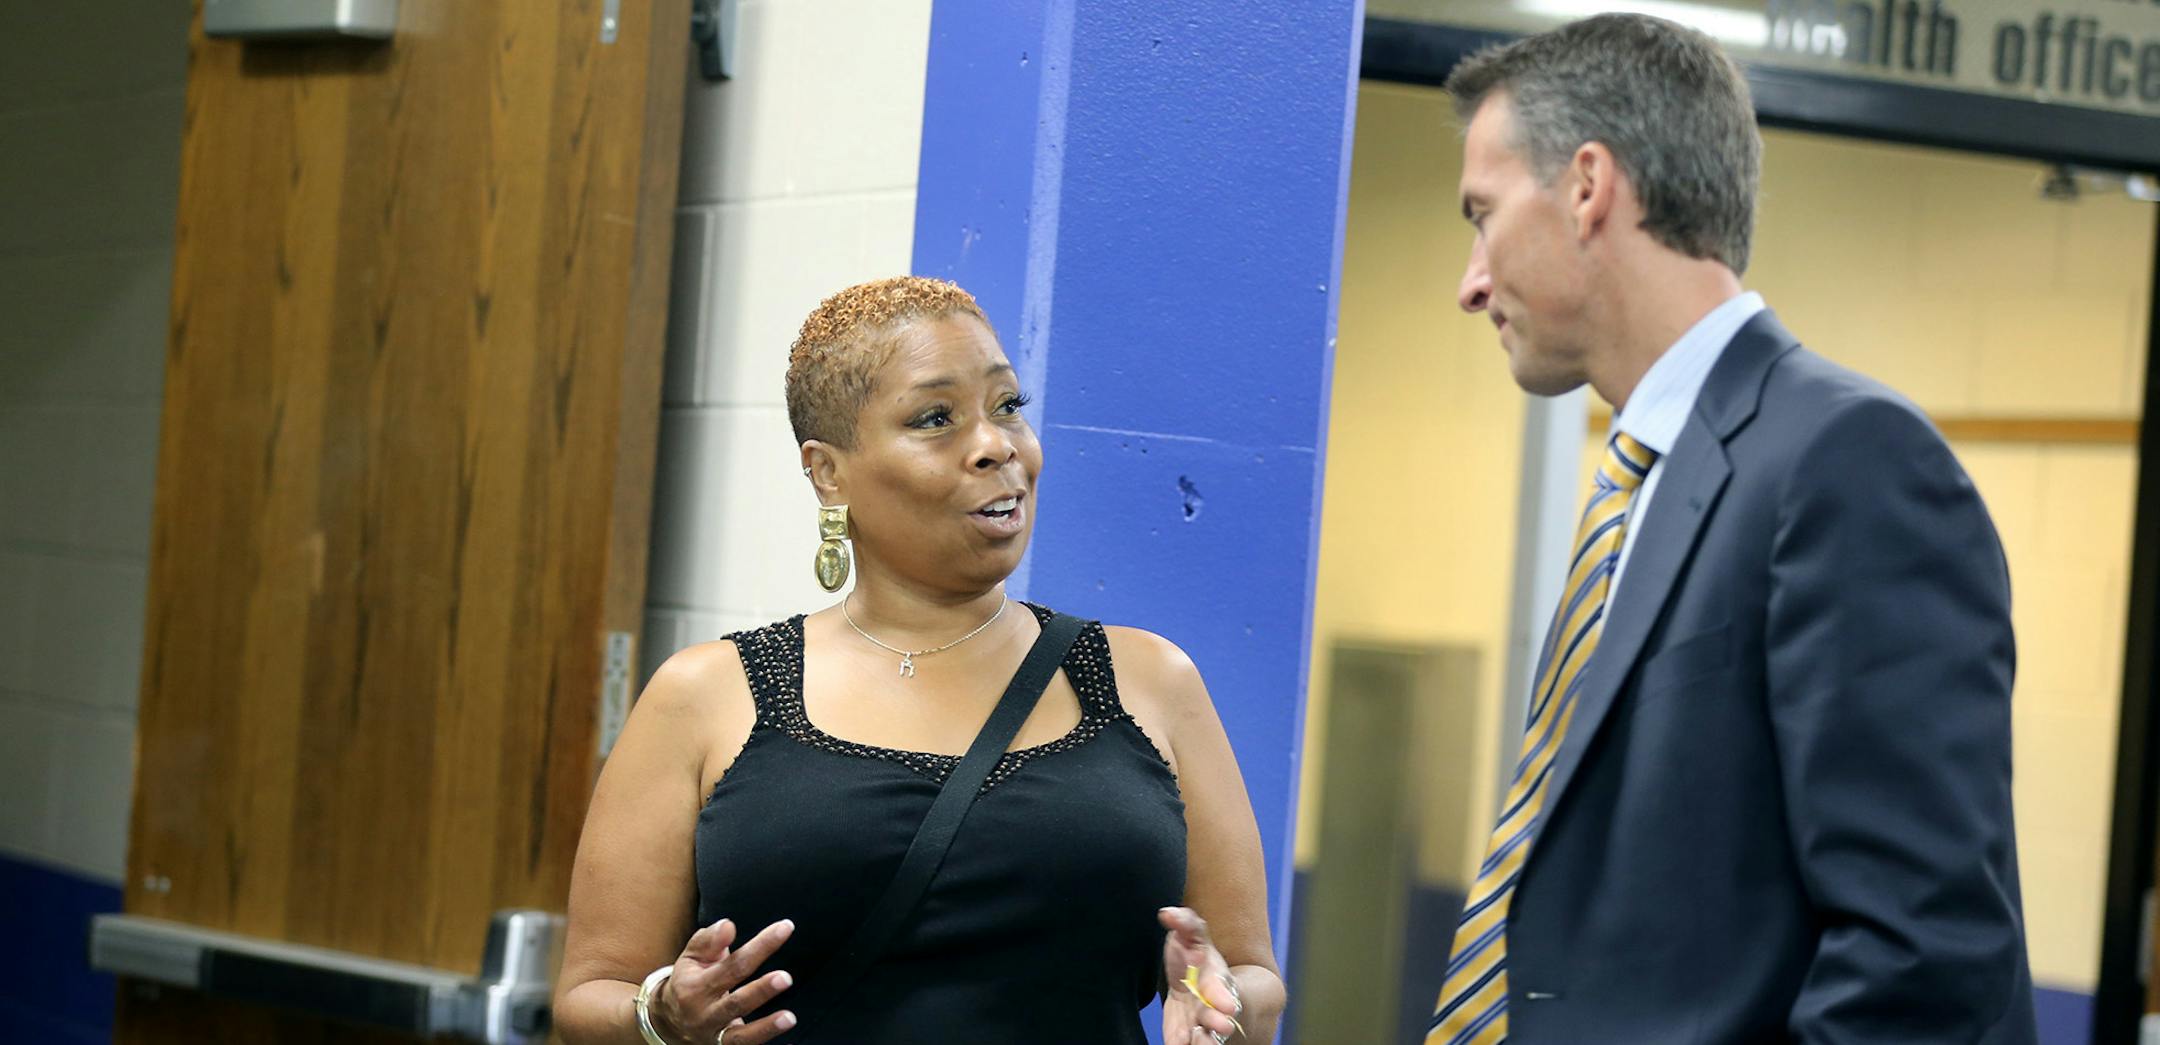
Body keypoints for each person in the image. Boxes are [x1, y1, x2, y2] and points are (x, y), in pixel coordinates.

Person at [1425, 14, 2034, 1044]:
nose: (1471, 280)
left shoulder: (1848, 462)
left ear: (1587, 185)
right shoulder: (1645, 484)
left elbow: (1925, 959)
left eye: (1483, 215)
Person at [553, 276, 1283, 1045]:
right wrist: (664, 1013)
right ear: (829, 471)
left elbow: (1252, 975)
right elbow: (588, 997)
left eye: (1007, 406)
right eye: (936, 418)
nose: (997, 444)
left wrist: (1222, 1005)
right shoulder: (707, 696)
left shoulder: (1150, 681)